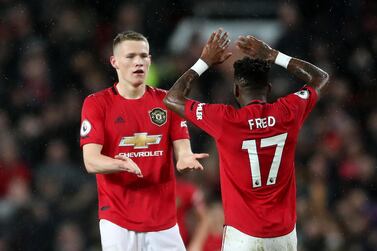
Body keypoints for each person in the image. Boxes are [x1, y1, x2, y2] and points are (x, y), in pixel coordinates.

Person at [163, 28, 329, 251]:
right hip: (284, 235)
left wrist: (204, 61)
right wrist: (273, 55)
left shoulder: (225, 120)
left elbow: (172, 98)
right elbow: (320, 77)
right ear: (268, 89)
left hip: (243, 236)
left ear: (236, 91)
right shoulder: (288, 111)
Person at [80, 30, 208, 251]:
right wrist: (121, 164)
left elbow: (183, 149)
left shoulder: (168, 101)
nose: (138, 62)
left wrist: (185, 159)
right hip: (117, 219)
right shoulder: (97, 104)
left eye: (144, 56)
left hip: (163, 220)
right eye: (130, 57)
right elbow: (91, 161)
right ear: (115, 62)